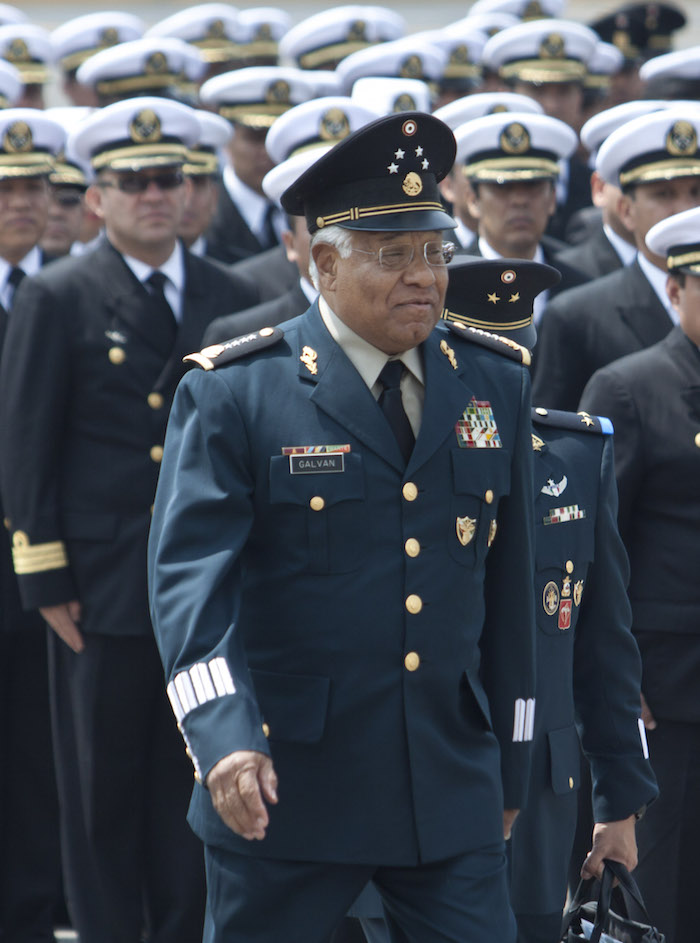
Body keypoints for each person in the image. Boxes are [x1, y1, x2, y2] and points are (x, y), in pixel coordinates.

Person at [148, 111, 537, 943]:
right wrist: (222, 741)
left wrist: (515, 756)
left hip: (446, 782)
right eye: (393, 257)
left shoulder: (493, 382)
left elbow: (511, 591)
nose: (424, 278)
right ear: (323, 264)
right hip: (286, 786)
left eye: (436, 253)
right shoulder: (236, 392)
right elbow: (190, 593)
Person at [0, 96, 256, 943]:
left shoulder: (228, 290)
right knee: (100, 793)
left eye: (169, 178)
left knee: (191, 787)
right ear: (98, 198)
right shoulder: (59, 295)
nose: (156, 194)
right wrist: (45, 578)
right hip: (102, 589)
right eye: (132, 181)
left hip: (205, 585)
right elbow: (29, 445)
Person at [444, 257, 657, 943]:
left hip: (540, 786)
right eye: (480, 358)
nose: (501, 381)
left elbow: (605, 645)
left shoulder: (573, 456)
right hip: (427, 770)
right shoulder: (401, 467)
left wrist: (620, 801)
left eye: (516, 359)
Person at [579, 205, 700, 943]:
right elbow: (593, 552)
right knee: (657, 894)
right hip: (665, 691)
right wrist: (618, 691)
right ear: (677, 287)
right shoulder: (629, 387)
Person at [0, 106, 65, 943]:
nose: (20, 201)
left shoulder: (68, 291)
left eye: (34, 187)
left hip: (48, 575)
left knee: (36, 762)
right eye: (6, 186)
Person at [533, 107, 700, 411]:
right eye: (663, 194)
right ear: (625, 210)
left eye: (696, 191)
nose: (685, 208)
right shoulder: (576, 316)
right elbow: (551, 440)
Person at [451, 110, 587, 322]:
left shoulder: (581, 285)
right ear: (472, 200)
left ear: (552, 198)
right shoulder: (450, 285)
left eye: (533, 186)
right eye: (502, 187)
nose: (520, 201)